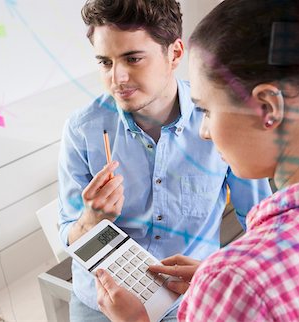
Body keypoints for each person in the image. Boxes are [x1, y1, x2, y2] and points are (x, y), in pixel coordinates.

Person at [93, 0, 299, 320]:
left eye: (207, 110)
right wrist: (222, 288)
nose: (204, 132)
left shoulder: (244, 281)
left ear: (268, 107)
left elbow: (258, 286)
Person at [57, 0, 272, 321]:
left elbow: (260, 224)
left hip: (189, 296)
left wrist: (227, 279)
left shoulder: (220, 120)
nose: (117, 78)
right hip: (102, 301)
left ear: (174, 54)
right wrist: (92, 220)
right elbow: (70, 236)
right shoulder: (83, 129)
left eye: (133, 58)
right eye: (105, 62)